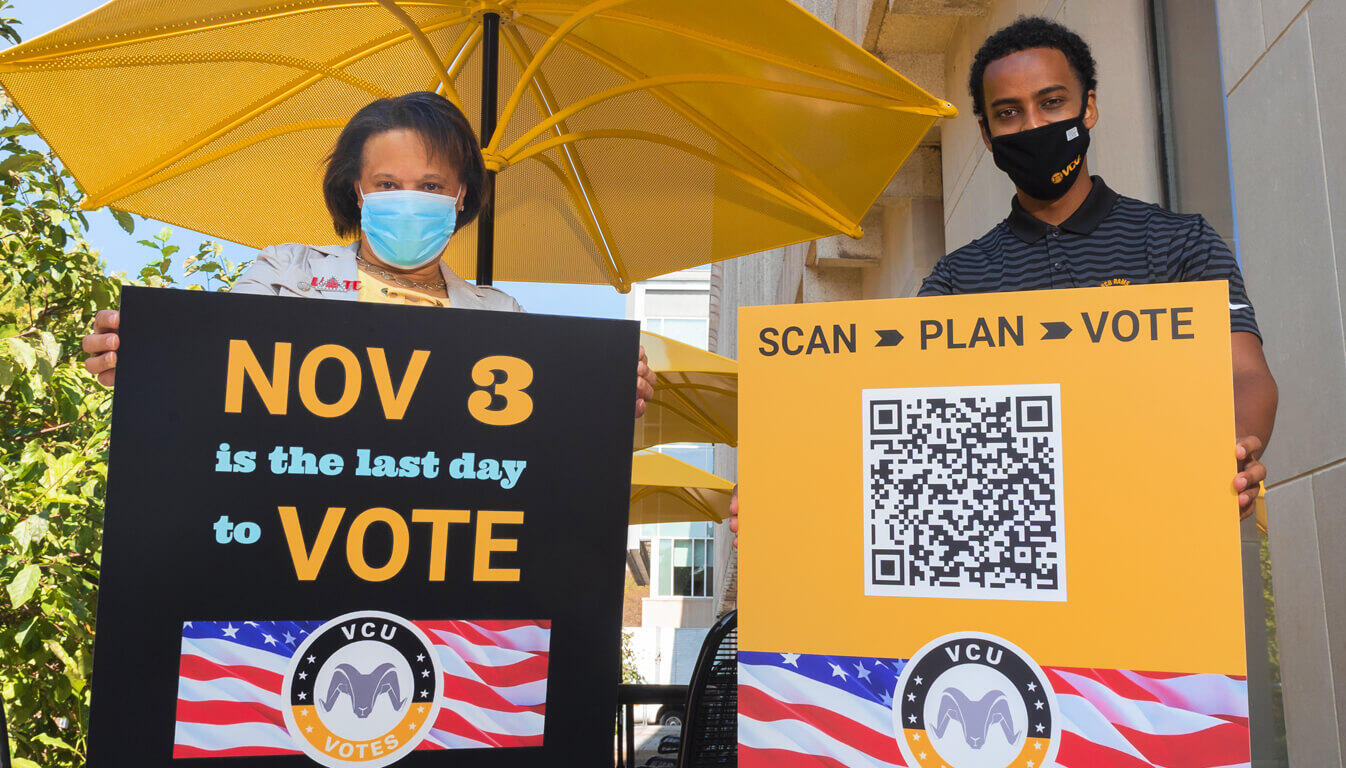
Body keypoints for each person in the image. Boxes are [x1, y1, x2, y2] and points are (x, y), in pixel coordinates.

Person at [730, 16, 1278, 545]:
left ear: (1088, 107)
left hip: (1153, 542)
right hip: (1012, 562)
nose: (1034, 125)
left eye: (1052, 102)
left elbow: (1246, 375)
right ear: (988, 136)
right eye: (1009, 113)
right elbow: (897, 420)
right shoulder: (954, 281)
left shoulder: (1179, 243)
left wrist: (1231, 450)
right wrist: (786, 487)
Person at [80, 91, 656, 414]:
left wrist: (601, 395)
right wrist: (145, 358)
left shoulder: (502, 317)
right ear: (357, 190)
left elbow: (543, 437)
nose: (408, 198)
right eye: (386, 183)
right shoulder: (285, 275)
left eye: (430, 186)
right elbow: (217, 380)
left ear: (461, 195)